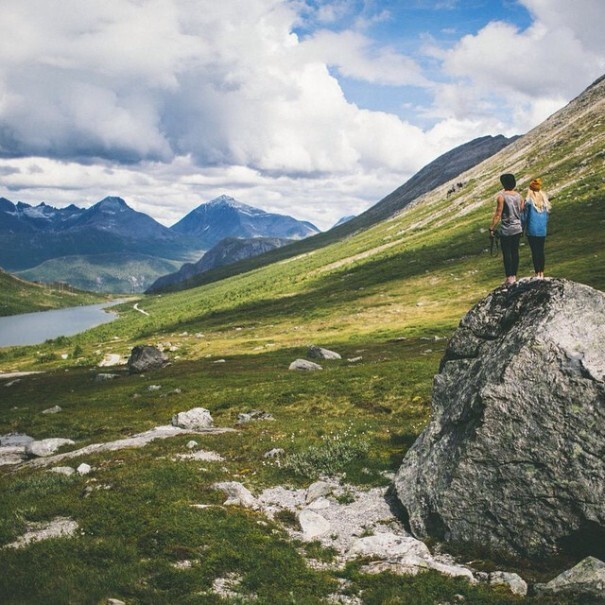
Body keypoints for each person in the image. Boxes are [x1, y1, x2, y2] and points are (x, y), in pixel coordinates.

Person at [489, 173, 524, 286]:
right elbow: (522, 211)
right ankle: (514, 275)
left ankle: (509, 277)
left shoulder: (501, 197)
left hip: (507, 229)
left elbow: (498, 213)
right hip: (518, 228)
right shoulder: (519, 196)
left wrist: (491, 227)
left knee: (507, 253)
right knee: (515, 252)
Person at [523, 177, 551, 278]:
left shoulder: (529, 201)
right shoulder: (545, 201)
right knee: (541, 250)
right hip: (542, 230)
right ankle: (542, 272)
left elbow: (524, 216)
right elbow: (547, 216)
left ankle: (537, 273)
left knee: (534, 251)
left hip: (532, 229)